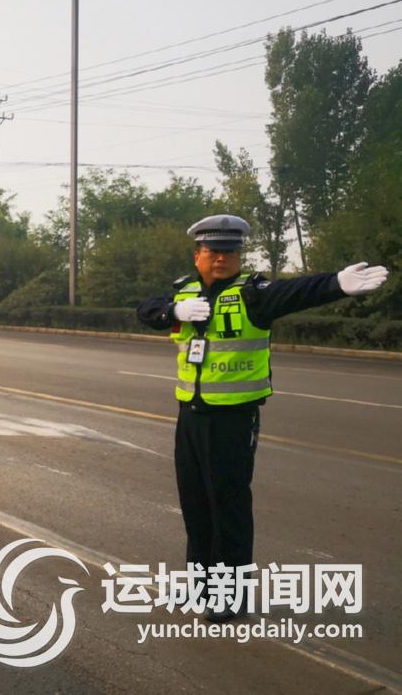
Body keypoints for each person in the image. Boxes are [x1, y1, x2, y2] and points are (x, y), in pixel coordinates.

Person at [136, 214, 388, 622]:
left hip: (232, 419)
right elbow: (145, 309)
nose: (222, 259)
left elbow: (297, 292)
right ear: (198, 255)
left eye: (230, 252)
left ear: (239, 256)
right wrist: (173, 310)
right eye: (213, 251)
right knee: (196, 505)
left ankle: (229, 597)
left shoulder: (254, 294)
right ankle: (200, 586)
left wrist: (335, 283)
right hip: (191, 416)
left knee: (228, 507)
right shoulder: (184, 292)